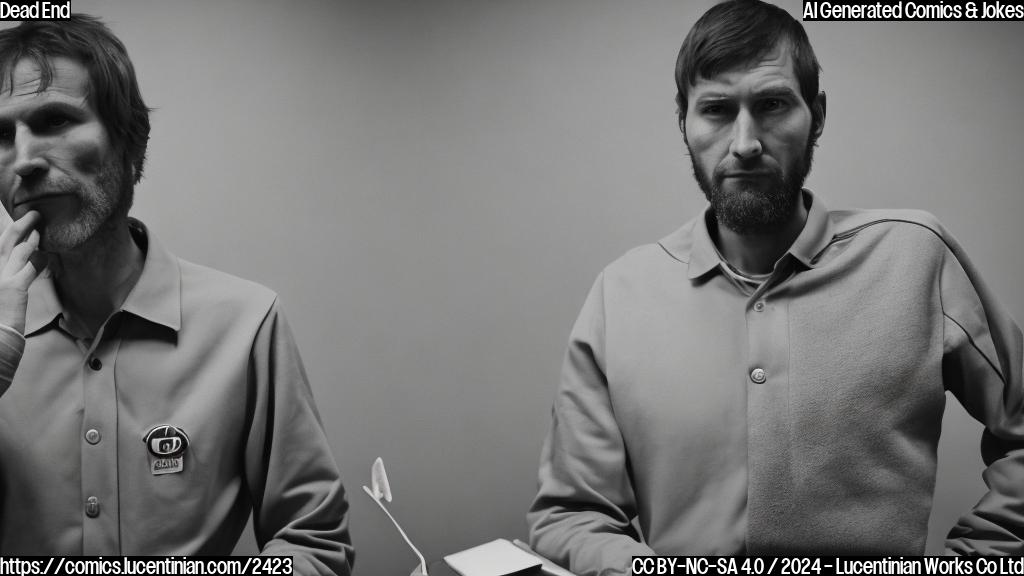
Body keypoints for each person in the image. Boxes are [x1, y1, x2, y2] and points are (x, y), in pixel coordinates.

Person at [526, 0, 1024, 572]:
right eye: (715, 109)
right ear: (683, 123)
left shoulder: (917, 257)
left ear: (817, 114)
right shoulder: (620, 294)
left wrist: (983, 560)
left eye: (771, 105)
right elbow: (571, 514)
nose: (744, 142)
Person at [0, 15, 353, 574]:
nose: (23, 159)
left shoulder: (245, 325)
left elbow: (313, 544)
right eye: (0, 136)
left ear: (129, 143)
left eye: (55, 119)